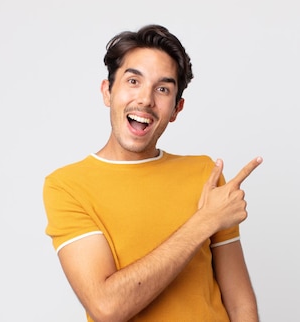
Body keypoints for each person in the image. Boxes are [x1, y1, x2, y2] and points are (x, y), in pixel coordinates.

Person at [43, 24, 262, 322]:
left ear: (176, 109)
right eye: (133, 81)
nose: (145, 99)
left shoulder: (205, 174)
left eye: (162, 89)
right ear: (108, 91)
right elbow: (108, 307)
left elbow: (239, 303)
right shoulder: (67, 186)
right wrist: (204, 222)